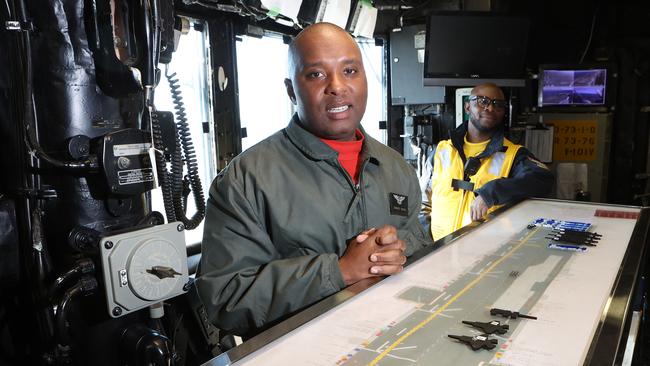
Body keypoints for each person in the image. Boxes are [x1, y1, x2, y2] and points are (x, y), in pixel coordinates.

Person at [195, 23, 431, 338]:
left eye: (350, 70)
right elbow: (224, 298)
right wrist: (340, 271)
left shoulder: (396, 167)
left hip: (392, 341)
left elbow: (419, 253)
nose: (337, 86)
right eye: (316, 74)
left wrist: (400, 253)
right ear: (291, 89)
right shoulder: (245, 180)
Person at [420, 83, 554, 240]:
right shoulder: (441, 150)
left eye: (498, 105)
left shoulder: (513, 154)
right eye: (483, 101)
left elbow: (544, 179)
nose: (490, 108)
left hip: (485, 253)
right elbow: (423, 201)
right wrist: (426, 239)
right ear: (468, 107)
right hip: (438, 251)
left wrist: (491, 193)